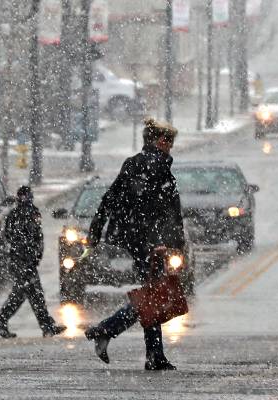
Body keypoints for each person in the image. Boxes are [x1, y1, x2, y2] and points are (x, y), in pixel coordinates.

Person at [83, 117, 185, 371]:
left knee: (153, 295)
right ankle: (106, 329)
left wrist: (96, 230)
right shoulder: (157, 166)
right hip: (149, 243)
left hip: (136, 239)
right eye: (168, 142)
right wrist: (166, 242)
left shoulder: (134, 164)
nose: (170, 147)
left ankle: (153, 354)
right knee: (152, 296)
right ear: (159, 141)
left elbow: (110, 199)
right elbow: (167, 210)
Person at [0, 186, 66, 339]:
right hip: (22, 262)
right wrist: (25, 257)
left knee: (31, 294)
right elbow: (14, 239)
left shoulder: (29, 212)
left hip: (27, 261)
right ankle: (1, 323)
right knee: (26, 294)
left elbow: (35, 237)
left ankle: (46, 326)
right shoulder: (19, 214)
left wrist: (35, 255)